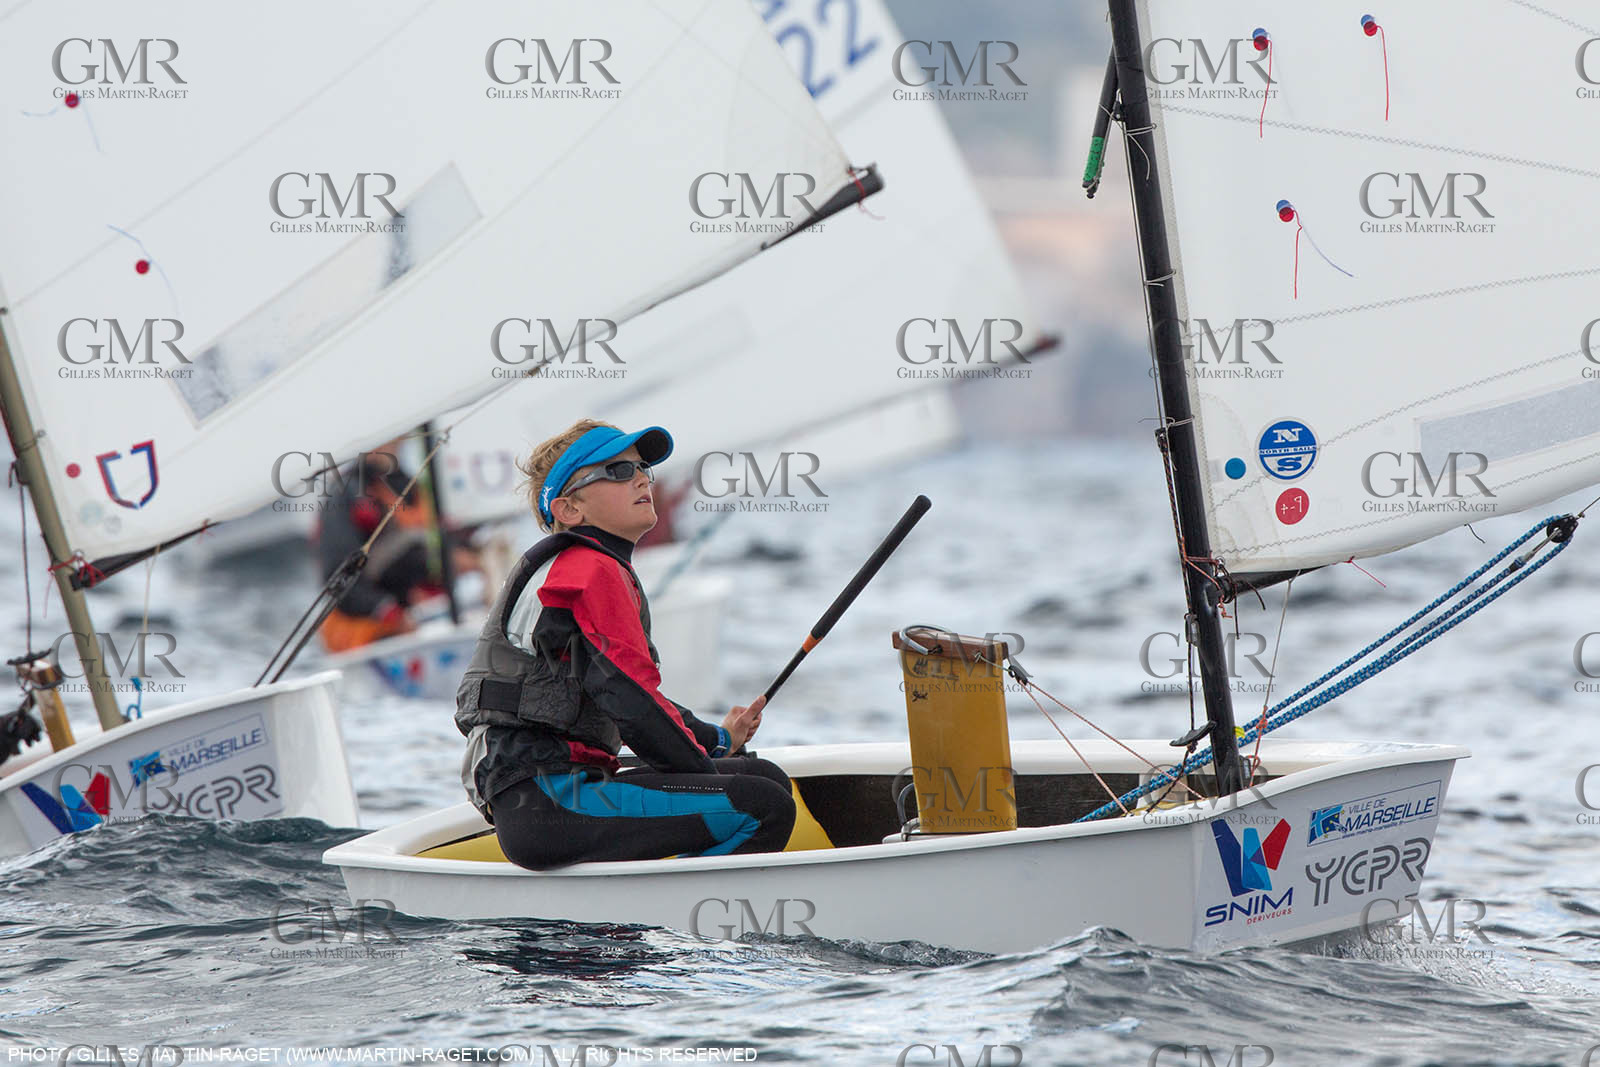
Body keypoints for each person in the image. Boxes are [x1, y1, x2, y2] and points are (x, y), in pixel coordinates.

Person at [454, 418, 795, 867]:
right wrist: (706, 772)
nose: (640, 478)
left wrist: (716, 740)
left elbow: (625, 694)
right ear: (569, 510)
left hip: (543, 795)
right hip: (548, 801)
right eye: (616, 472)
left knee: (763, 777)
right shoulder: (590, 570)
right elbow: (634, 706)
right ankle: (692, 929)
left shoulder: (581, 567)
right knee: (762, 805)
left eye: (641, 469)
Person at [316, 439, 474, 653]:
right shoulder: (345, 494)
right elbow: (339, 580)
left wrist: (461, 560)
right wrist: (388, 611)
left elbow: (427, 553)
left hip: (420, 622)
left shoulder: (412, 487)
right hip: (366, 638)